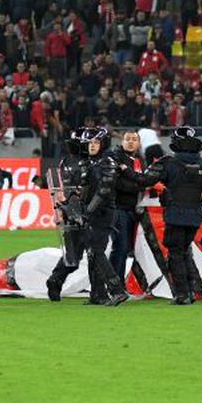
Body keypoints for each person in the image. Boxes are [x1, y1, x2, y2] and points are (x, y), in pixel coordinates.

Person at [141, 126, 202, 305]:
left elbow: (145, 181)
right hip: (195, 216)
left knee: (176, 253)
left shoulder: (168, 162)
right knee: (185, 251)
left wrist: (124, 172)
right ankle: (191, 291)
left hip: (175, 214)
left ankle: (183, 294)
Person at [79, 127, 130, 306]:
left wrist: (88, 210)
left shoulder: (106, 161)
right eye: (89, 143)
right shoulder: (93, 162)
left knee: (96, 251)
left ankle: (117, 290)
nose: (92, 146)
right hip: (94, 212)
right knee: (92, 253)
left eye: (95, 143)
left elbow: (105, 190)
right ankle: (98, 294)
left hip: (103, 213)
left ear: (103, 143)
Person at [46, 129, 94, 301]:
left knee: (73, 256)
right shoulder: (86, 163)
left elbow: (61, 190)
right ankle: (98, 290)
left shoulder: (65, 161)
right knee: (94, 252)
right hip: (82, 212)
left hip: (69, 211)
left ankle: (55, 280)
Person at [108, 130, 148, 283]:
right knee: (121, 247)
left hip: (133, 210)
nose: (131, 142)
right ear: (122, 142)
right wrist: (138, 186)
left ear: (138, 143)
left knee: (129, 248)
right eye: (127, 139)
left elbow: (142, 179)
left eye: (134, 139)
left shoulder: (139, 160)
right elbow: (116, 184)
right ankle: (114, 284)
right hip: (118, 208)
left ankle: (121, 283)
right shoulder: (115, 158)